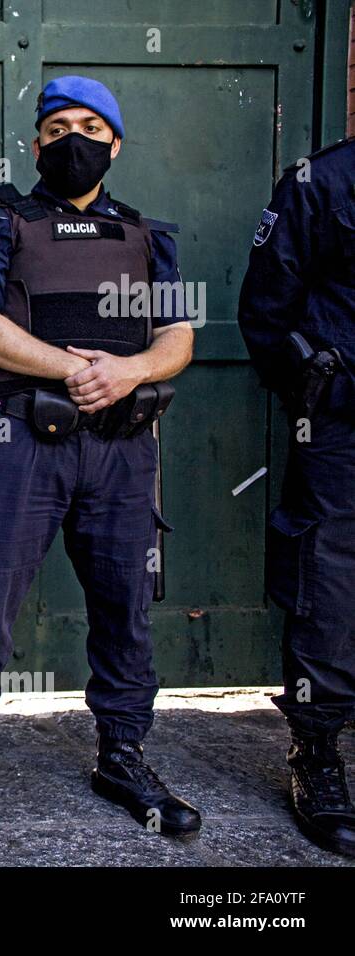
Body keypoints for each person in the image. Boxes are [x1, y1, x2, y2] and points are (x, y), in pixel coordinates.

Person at [0, 76, 200, 838]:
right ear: (37, 142)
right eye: (55, 128)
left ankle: (123, 752)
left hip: (122, 452)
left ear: (115, 142)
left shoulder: (151, 236)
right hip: (26, 444)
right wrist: (79, 370)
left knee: (126, 610)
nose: (70, 140)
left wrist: (131, 370)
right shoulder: (0, 225)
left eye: (88, 126)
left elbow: (177, 338)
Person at [237, 137, 355, 857]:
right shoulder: (324, 182)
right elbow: (267, 311)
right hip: (344, 424)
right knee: (330, 584)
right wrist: (320, 391)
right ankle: (316, 754)